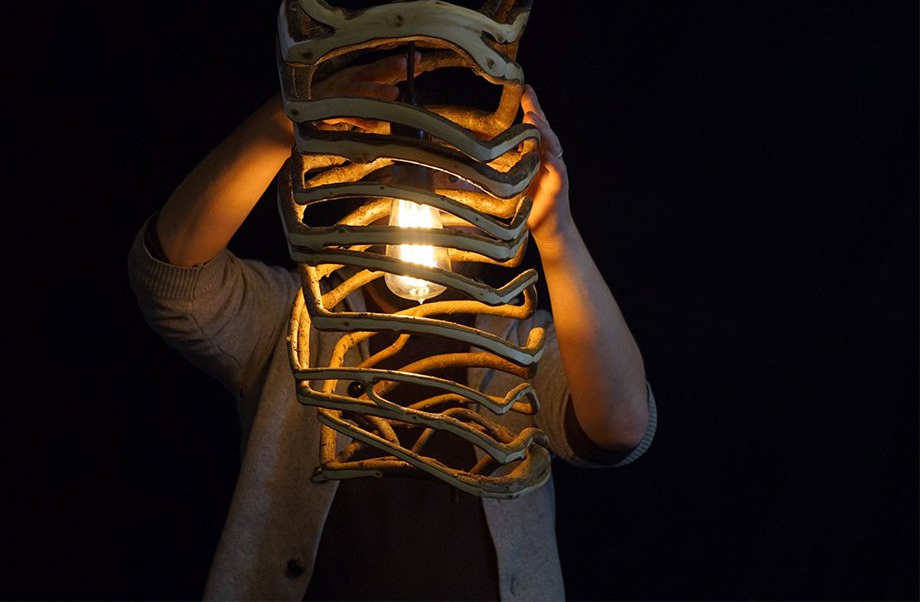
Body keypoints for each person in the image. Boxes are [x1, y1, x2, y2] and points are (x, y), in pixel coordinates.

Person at [128, 52, 657, 601]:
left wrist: (556, 231)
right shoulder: (297, 317)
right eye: (398, 167)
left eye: (451, 168)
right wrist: (286, 120)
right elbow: (173, 281)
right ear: (362, 180)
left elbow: (619, 427)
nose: (425, 190)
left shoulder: (520, 337)